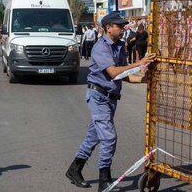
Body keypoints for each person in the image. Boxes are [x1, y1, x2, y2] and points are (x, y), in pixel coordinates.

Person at [65, 12, 156, 192]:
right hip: (98, 97)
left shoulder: (119, 46)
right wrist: (139, 63)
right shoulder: (100, 48)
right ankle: (104, 181)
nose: (123, 29)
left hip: (110, 99)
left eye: (123, 26)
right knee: (108, 138)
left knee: (94, 137)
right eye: (119, 26)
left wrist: (143, 79)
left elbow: (123, 76)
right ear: (108, 28)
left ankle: (74, 169)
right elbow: (113, 72)